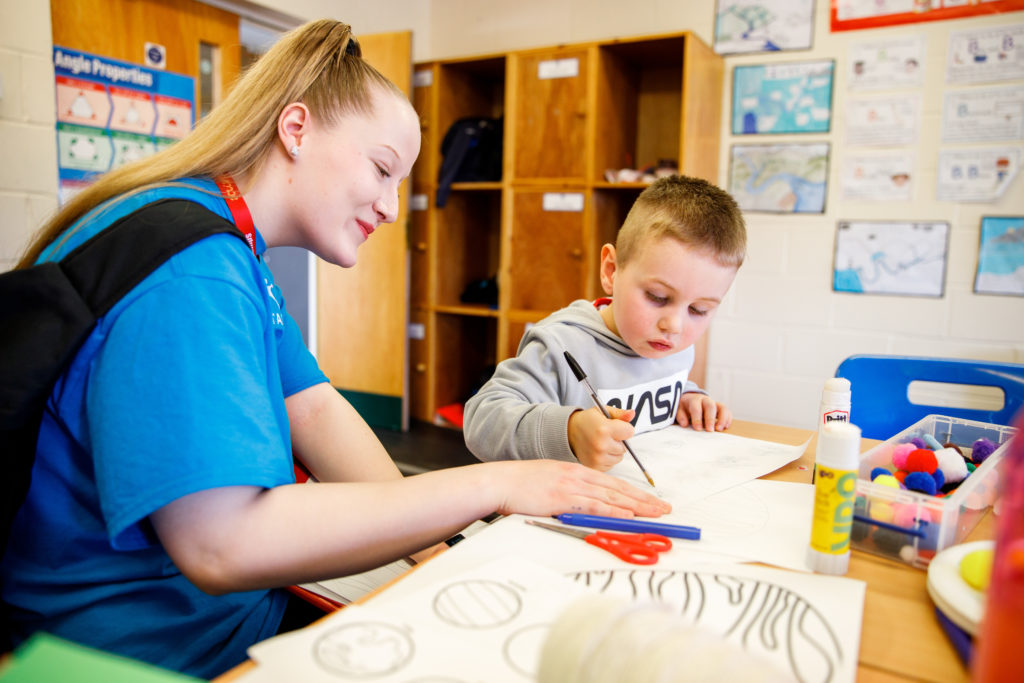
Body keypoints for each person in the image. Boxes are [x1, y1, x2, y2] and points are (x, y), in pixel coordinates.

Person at [0, 19, 668, 678]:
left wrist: (441, 553)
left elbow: (318, 412)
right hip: (151, 649)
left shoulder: (226, 246)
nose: (392, 207)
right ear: (296, 129)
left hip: (213, 615)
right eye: (382, 169)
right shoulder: (195, 269)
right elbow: (220, 541)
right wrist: (496, 482)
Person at [463, 175, 746, 472]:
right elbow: (482, 420)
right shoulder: (561, 345)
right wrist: (569, 431)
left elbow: (652, 379)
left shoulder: (674, 347)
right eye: (657, 297)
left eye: (699, 310)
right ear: (611, 271)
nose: (674, 325)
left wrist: (686, 397)